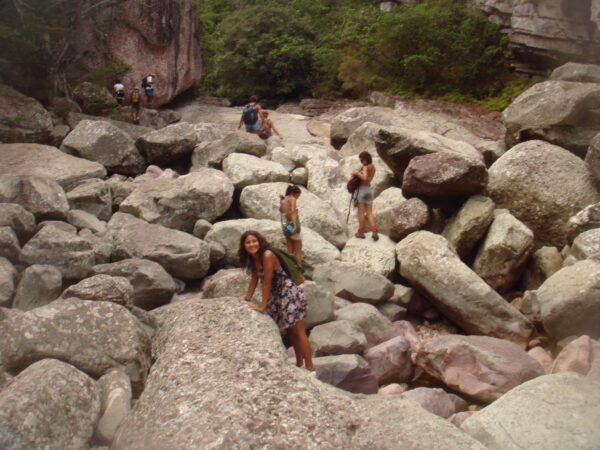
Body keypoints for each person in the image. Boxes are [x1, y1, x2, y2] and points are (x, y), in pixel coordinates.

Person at [239, 231, 313, 371]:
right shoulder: (254, 258)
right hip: (278, 297)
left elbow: (267, 281)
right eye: (248, 242)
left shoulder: (267, 255)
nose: (251, 244)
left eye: (254, 241)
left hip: (288, 295)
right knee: (290, 332)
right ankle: (299, 364)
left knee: (298, 332)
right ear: (243, 246)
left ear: (260, 242)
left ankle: (310, 368)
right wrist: (247, 297)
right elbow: (255, 277)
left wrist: (263, 306)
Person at [350, 151, 379, 240]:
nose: (361, 162)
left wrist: (356, 173)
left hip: (362, 190)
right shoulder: (373, 167)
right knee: (369, 212)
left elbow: (365, 178)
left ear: (366, 159)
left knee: (361, 213)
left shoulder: (365, 167)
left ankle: (361, 232)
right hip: (369, 190)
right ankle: (374, 231)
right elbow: (369, 179)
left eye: (362, 160)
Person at [279, 185, 302, 264]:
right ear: (294, 193)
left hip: (287, 226)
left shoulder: (283, 200)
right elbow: (293, 212)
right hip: (293, 225)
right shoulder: (292, 199)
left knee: (290, 250)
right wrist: (295, 226)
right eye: (297, 195)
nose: (297, 198)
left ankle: (290, 268)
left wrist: (282, 199)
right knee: (298, 251)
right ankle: (298, 270)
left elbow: (282, 211)